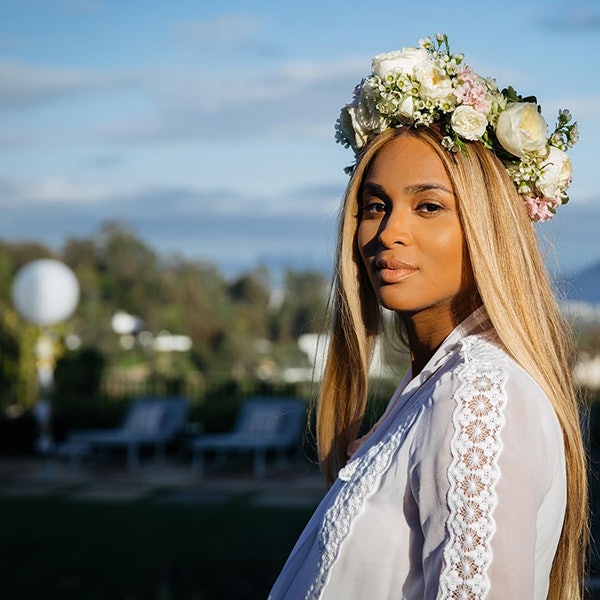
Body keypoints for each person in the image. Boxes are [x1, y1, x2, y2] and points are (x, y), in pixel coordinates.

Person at [268, 34, 587, 599]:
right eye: (374, 205)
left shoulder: (477, 393)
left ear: (487, 228)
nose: (389, 231)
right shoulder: (434, 386)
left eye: (429, 206)